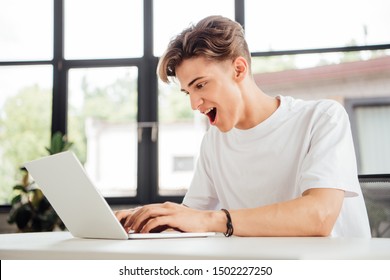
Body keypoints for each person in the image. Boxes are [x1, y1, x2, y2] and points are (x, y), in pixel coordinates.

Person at [115, 15, 371, 237]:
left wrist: (215, 220)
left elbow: (320, 215)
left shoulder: (323, 118)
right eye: (187, 92)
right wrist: (143, 220)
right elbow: (191, 218)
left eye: (201, 85)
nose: (194, 104)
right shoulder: (214, 142)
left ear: (238, 69)